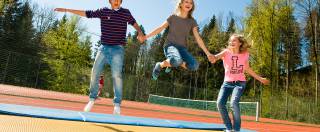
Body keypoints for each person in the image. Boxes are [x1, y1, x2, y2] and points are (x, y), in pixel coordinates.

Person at [55, 0, 145, 115]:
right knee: (94, 72)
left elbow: (134, 23)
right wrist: (67, 10)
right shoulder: (103, 11)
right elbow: (87, 13)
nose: (116, 1)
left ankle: (117, 105)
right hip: (103, 48)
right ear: (110, 1)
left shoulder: (125, 13)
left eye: (119, 0)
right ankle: (92, 99)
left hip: (118, 49)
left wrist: (140, 32)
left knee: (116, 75)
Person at [142, 0, 215, 80]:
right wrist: (145, 37)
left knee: (194, 65)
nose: (189, 4)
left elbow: (198, 38)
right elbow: (160, 28)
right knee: (177, 60)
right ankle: (160, 65)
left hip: (182, 49)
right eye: (186, 1)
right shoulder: (173, 17)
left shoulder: (192, 21)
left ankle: (173, 63)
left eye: (191, 3)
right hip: (170, 46)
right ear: (181, 3)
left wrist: (208, 53)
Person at [212, 34, 270, 132]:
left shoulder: (245, 54)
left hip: (239, 83)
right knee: (220, 103)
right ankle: (229, 128)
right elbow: (216, 57)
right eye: (230, 41)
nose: (232, 42)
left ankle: (236, 129)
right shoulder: (226, 52)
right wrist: (212, 57)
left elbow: (247, 69)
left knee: (233, 102)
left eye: (234, 40)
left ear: (240, 43)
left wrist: (260, 79)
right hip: (227, 83)